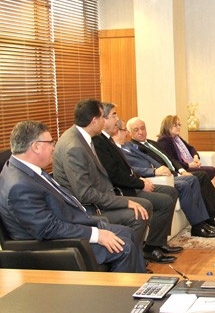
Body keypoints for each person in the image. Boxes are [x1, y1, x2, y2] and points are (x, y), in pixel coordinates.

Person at [0, 120, 146, 273]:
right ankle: (120, 288)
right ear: (36, 147)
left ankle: (141, 285)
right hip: (57, 244)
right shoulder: (19, 186)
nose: (53, 147)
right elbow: (47, 229)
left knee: (129, 233)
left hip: (71, 226)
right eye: (50, 142)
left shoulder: (24, 169)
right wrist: (96, 235)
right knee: (125, 247)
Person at [52, 99, 151, 250]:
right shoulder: (74, 147)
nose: (104, 122)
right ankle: (126, 255)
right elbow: (85, 194)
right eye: (102, 118)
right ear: (94, 121)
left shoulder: (83, 137)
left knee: (143, 206)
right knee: (138, 215)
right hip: (88, 210)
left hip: (99, 199)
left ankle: (134, 254)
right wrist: (124, 202)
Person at [92, 102, 180, 262]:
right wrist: (140, 184)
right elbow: (114, 175)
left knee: (171, 192)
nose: (117, 119)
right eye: (114, 115)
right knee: (164, 201)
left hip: (132, 184)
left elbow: (126, 168)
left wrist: (140, 179)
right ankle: (150, 248)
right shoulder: (98, 142)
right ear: (103, 119)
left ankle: (158, 242)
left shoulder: (107, 140)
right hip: (124, 190)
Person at [113, 120, 215, 238]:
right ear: (117, 131)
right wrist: (154, 171)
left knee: (195, 179)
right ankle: (199, 224)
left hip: (165, 173)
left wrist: (173, 170)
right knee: (187, 183)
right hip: (152, 178)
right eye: (130, 130)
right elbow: (132, 169)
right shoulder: (120, 149)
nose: (139, 132)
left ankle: (202, 221)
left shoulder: (132, 146)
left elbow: (156, 159)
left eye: (142, 128)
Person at [157, 114, 215, 209]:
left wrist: (195, 157)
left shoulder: (177, 138)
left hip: (187, 166)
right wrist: (188, 165)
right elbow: (171, 161)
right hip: (180, 170)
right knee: (208, 172)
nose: (178, 127)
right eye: (175, 125)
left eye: (179, 125)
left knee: (212, 170)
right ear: (167, 126)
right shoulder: (164, 141)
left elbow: (191, 148)